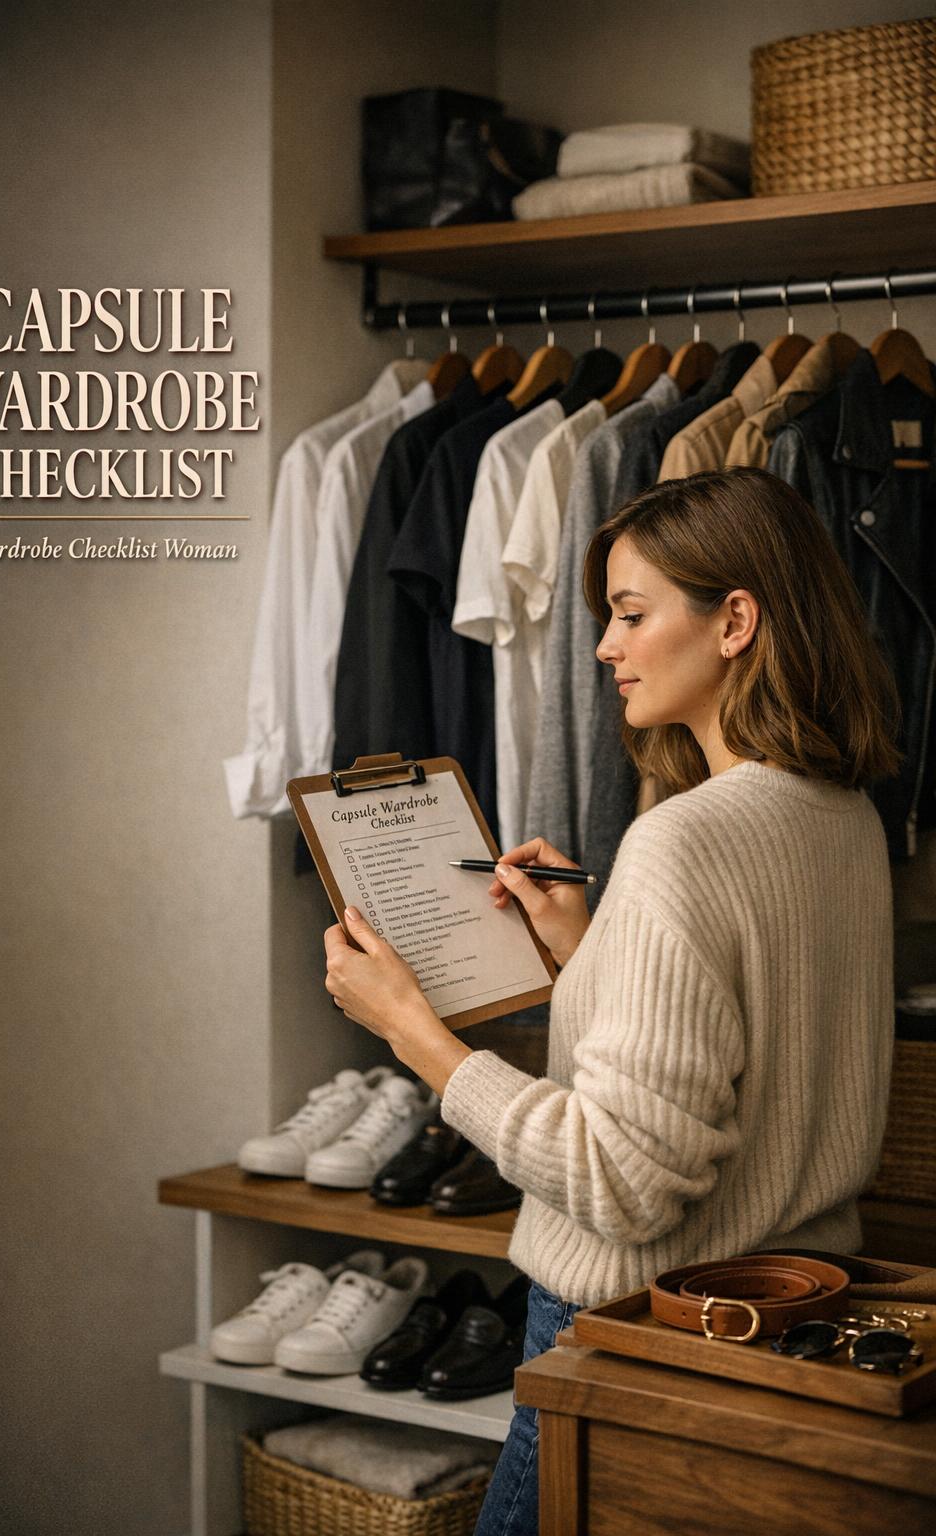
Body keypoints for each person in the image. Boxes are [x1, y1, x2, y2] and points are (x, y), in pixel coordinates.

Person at [322, 467, 900, 1535]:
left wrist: (413, 1032)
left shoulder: (682, 839)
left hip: (638, 1324)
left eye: (631, 614)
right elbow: (752, 1051)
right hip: (796, 1310)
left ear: (734, 621)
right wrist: (582, 945)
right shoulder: (841, 816)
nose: (603, 647)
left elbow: (619, 1180)